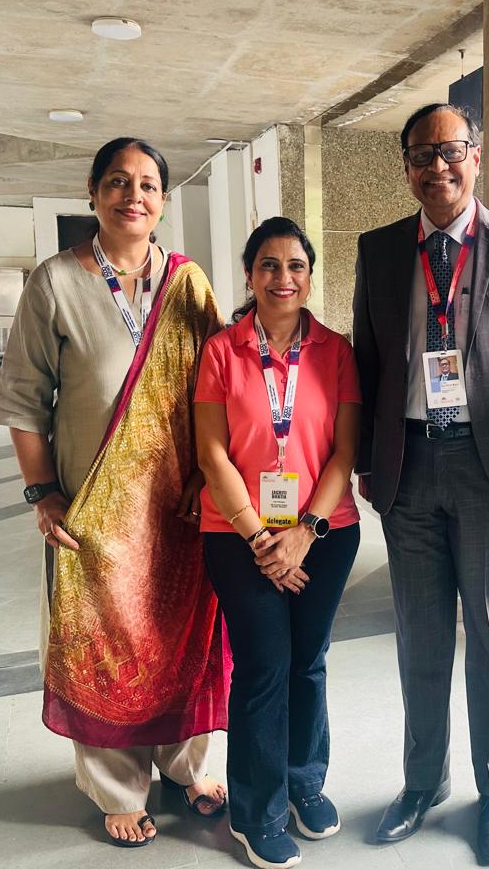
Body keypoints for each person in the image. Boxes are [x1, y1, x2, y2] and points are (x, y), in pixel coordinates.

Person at [0, 137, 230, 848]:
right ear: (93, 194)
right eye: (118, 182)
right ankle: (118, 787)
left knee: (182, 632)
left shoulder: (188, 283)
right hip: (93, 504)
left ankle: (189, 765)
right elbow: (24, 400)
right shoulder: (56, 282)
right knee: (103, 638)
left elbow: (220, 388)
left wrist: (206, 477)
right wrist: (43, 494)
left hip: (179, 502)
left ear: (163, 200)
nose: (134, 195)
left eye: (148, 184)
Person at [351, 103, 489, 863]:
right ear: (406, 168)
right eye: (421, 155)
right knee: (419, 637)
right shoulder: (381, 249)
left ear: (476, 156)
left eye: (450, 151)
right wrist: (366, 462)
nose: (436, 167)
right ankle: (422, 782)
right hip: (409, 465)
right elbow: (368, 362)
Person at [196, 217, 361, 869]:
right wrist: (263, 539)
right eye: (269, 264)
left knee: (308, 661)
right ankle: (256, 811)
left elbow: (344, 453)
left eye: (295, 265)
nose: (282, 277)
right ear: (250, 275)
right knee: (264, 665)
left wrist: (304, 533)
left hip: (325, 532)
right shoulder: (221, 351)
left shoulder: (336, 351)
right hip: (237, 535)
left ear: (309, 277)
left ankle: (303, 783)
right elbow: (211, 453)